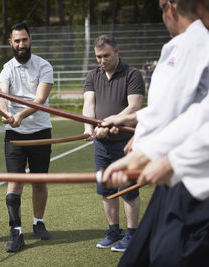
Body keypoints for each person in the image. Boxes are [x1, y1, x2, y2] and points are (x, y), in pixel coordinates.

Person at [101, 0, 209, 265]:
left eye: (161, 7)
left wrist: (158, 155)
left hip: (194, 183)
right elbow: (196, 111)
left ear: (171, 7)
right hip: (184, 171)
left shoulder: (190, 45)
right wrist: (137, 131)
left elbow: (173, 111)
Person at [82, 34, 145, 252]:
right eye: (98, 57)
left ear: (116, 52)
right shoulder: (92, 75)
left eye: (106, 55)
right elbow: (89, 105)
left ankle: (132, 234)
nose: (102, 60)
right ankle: (113, 231)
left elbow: (134, 108)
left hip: (126, 143)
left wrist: (108, 123)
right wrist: (88, 127)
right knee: (106, 189)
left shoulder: (132, 74)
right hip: (101, 145)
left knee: (128, 190)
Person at [0, 22, 54, 253]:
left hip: (40, 132)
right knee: (15, 182)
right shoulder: (6, 68)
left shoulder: (44, 65)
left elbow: (40, 100)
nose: (21, 44)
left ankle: (38, 222)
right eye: (16, 41)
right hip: (15, 135)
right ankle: (16, 231)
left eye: (24, 40)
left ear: (30, 40)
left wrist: (19, 114)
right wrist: (5, 113)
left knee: (39, 181)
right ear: (11, 42)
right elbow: (2, 95)